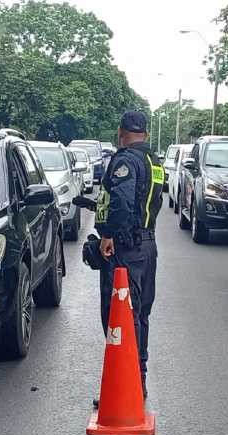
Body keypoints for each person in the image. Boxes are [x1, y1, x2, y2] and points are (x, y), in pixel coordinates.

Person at [94, 110, 163, 401]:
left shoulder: (125, 159)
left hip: (127, 248)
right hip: (148, 245)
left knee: (119, 317)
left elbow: (122, 201)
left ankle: (123, 388)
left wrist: (108, 234)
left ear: (121, 131)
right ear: (145, 133)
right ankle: (138, 381)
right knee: (140, 315)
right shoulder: (154, 161)